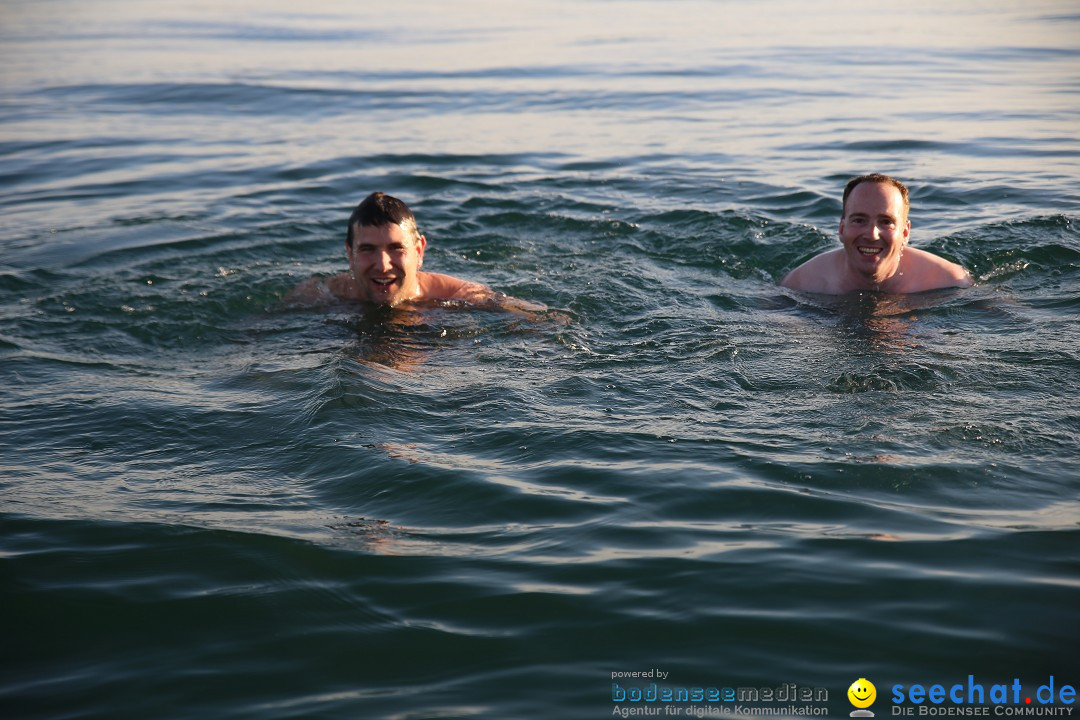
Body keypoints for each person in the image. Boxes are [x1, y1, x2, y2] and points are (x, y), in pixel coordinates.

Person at [287, 192, 493, 307]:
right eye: (367, 249)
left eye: (396, 248)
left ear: (419, 251)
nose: (383, 265)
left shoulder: (461, 296)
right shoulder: (321, 295)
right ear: (350, 254)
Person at [780, 174, 973, 294]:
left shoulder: (948, 280)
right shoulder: (802, 283)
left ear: (905, 232)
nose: (872, 234)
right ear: (841, 229)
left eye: (886, 222)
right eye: (859, 220)